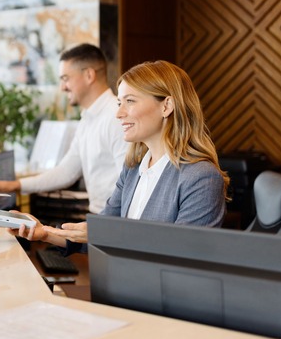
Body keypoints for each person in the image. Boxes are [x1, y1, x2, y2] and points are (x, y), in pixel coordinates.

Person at [13, 60, 229, 253]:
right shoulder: (133, 168)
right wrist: (46, 233)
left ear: (166, 106)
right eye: (119, 103)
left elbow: (183, 252)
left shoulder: (201, 177)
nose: (119, 113)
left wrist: (106, 234)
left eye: (130, 101)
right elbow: (101, 232)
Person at [0, 43, 128, 214]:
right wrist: (16, 185)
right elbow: (67, 172)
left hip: (110, 223)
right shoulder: (88, 118)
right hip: (98, 221)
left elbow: (128, 185)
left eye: (65, 78)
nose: (62, 87)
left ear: (89, 75)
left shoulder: (116, 117)